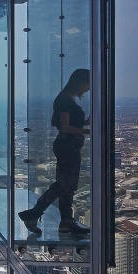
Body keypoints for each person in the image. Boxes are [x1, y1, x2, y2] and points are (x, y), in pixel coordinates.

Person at [19, 68, 91, 236]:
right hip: (68, 148)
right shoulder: (65, 101)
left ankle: (65, 223)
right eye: (87, 84)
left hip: (68, 147)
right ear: (79, 82)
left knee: (67, 186)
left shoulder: (65, 99)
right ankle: (34, 214)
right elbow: (64, 127)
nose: (88, 89)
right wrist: (88, 131)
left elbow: (68, 124)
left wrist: (85, 123)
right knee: (63, 185)